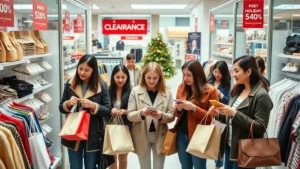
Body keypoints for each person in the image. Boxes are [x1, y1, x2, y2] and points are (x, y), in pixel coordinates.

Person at [210, 55, 273, 169]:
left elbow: (261, 126)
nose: (233, 74)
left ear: (248, 72)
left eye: (237, 71)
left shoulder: (261, 95)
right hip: (230, 145)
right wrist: (219, 113)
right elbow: (230, 117)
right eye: (233, 71)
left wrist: (234, 113)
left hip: (247, 149)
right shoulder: (238, 89)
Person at [58, 54, 111, 169]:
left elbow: (107, 110)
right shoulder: (70, 83)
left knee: (90, 166)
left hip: (93, 134)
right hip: (73, 132)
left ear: (93, 70)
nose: (82, 72)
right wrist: (68, 103)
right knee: (75, 166)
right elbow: (61, 107)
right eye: (80, 68)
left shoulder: (101, 85)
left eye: (87, 70)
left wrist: (93, 105)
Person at [127, 62, 175, 169]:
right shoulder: (135, 91)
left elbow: (172, 116)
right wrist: (141, 113)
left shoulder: (167, 93)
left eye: (155, 78)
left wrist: (161, 116)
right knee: (144, 167)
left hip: (160, 134)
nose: (152, 81)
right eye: (148, 77)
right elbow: (130, 115)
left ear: (160, 78)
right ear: (143, 76)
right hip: (141, 134)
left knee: (159, 167)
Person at [174, 60, 218, 169]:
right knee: (185, 166)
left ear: (197, 74)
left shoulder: (210, 91)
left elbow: (212, 117)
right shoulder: (181, 88)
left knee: (199, 166)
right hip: (182, 134)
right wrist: (178, 110)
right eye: (184, 75)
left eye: (189, 75)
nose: (185, 78)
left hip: (200, 136)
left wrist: (194, 108)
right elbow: (176, 113)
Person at [107, 65, 132, 169]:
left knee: (123, 158)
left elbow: (136, 110)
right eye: (117, 77)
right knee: (111, 158)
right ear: (113, 77)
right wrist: (110, 110)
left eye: (123, 77)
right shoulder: (107, 90)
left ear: (127, 77)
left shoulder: (132, 91)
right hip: (110, 127)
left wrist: (126, 112)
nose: (120, 80)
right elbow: (103, 107)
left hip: (125, 128)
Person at [208, 61, 231, 169]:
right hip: (208, 113)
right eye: (215, 71)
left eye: (220, 73)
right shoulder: (208, 81)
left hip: (221, 116)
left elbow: (228, 101)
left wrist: (220, 94)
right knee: (208, 137)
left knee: (220, 140)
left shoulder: (227, 84)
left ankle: (218, 164)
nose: (216, 75)